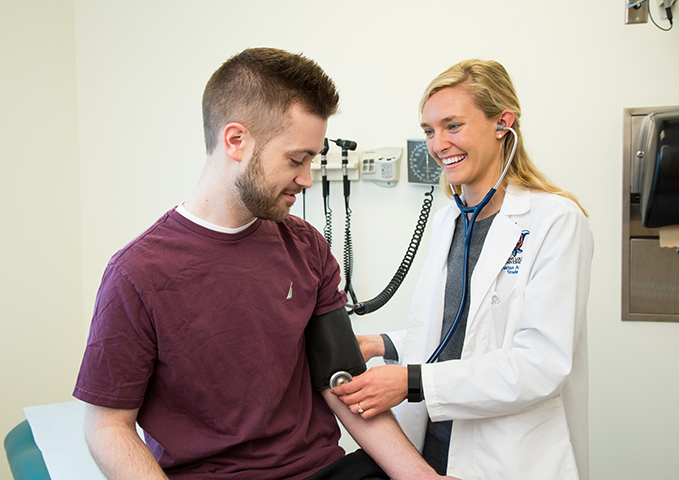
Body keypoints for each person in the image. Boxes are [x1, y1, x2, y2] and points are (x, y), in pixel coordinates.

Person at [73, 47, 454, 480]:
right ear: (236, 141)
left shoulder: (307, 247)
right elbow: (107, 425)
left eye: (312, 159)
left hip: (322, 471)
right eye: (296, 159)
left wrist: (420, 476)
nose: (307, 178)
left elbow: (341, 382)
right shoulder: (137, 273)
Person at [332, 59, 593, 480]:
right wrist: (378, 343)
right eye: (429, 131)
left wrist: (411, 382)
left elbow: (541, 363)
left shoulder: (555, 220)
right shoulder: (449, 218)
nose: (438, 144)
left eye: (453, 126)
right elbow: (458, 327)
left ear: (502, 123)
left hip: (507, 456)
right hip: (433, 448)